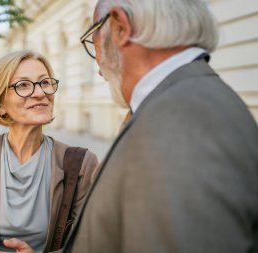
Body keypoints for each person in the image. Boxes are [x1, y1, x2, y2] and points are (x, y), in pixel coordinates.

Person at [62, 0, 258, 252]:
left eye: (94, 38)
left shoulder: (183, 121)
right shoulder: (185, 99)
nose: (98, 65)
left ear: (120, 27)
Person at [0, 50, 98, 253]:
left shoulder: (81, 163)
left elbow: (91, 244)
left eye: (44, 82)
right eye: (23, 85)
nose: (40, 93)